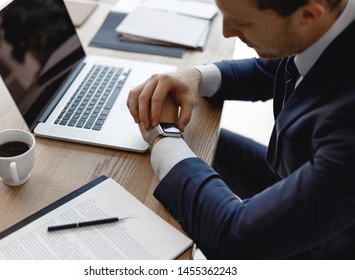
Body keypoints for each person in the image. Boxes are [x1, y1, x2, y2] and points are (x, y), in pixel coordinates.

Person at [127, 0, 355, 259]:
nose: (226, 31)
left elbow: (235, 240)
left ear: (309, 14)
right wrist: (194, 77)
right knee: (207, 144)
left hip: (329, 251)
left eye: (243, 22)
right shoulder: (332, 23)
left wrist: (163, 134)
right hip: (306, 178)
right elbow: (278, 66)